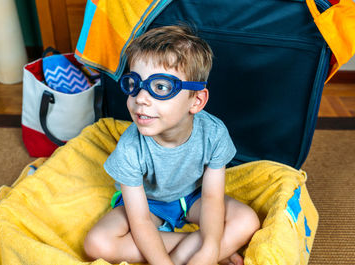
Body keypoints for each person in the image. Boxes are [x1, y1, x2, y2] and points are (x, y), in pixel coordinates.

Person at [84, 25, 260, 265]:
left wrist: (209, 249)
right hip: (149, 205)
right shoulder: (129, 149)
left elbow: (211, 198)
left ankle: (203, 248)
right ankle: (207, 244)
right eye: (135, 84)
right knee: (97, 243)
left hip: (195, 198)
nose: (141, 98)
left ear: (196, 100)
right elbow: (141, 221)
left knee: (247, 220)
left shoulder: (214, 133)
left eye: (161, 87)